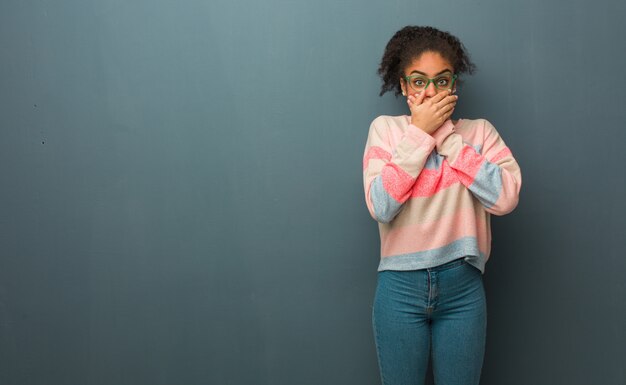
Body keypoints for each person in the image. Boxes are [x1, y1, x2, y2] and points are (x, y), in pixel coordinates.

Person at [362, 26, 522, 385]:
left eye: (441, 80)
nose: (430, 92)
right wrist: (420, 133)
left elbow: (506, 197)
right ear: (403, 86)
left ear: (454, 85)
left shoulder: (479, 134)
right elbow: (381, 205)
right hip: (399, 289)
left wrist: (447, 139)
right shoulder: (386, 131)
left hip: (462, 287)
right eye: (418, 82)